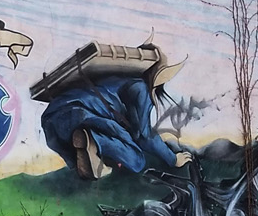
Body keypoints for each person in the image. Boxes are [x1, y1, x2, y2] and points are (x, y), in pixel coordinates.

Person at [40, 49, 192, 180]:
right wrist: (173, 159)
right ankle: (94, 140)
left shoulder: (112, 79)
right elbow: (143, 136)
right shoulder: (140, 88)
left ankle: (90, 151)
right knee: (137, 161)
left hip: (53, 120)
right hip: (85, 114)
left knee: (88, 141)